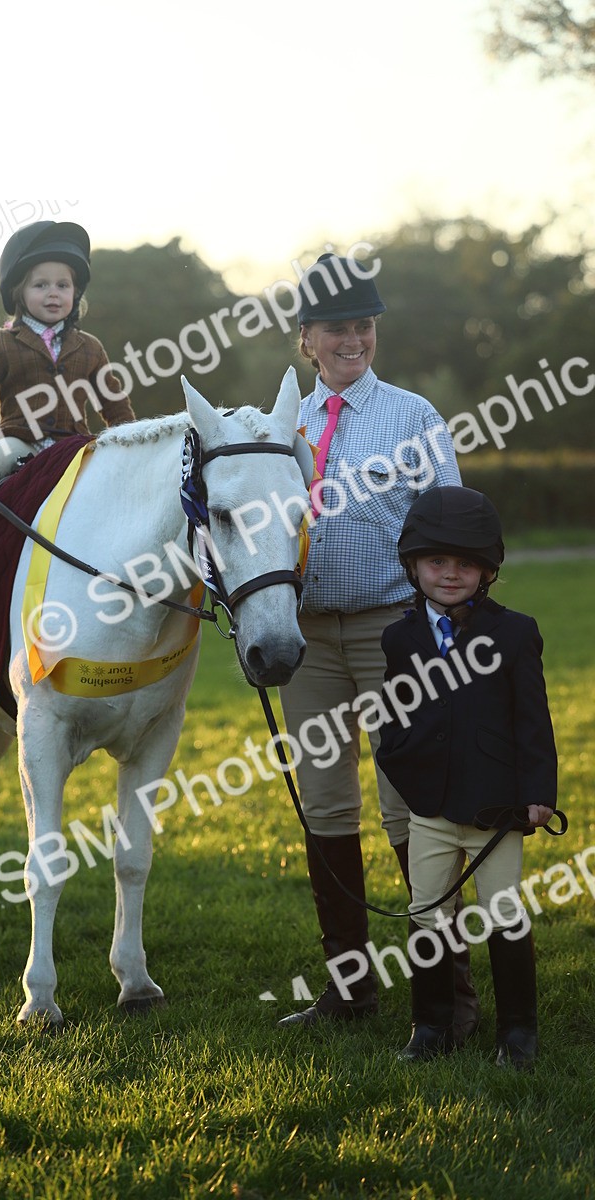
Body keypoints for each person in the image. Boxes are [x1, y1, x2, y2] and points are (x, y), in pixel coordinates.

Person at [277, 253, 476, 1032]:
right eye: (337, 328)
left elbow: (450, 523)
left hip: (394, 629)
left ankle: (447, 996)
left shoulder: (413, 415)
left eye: (364, 325)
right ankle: (349, 989)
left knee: (409, 809)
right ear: (307, 338)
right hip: (306, 635)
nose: (353, 339)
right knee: (325, 803)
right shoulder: (279, 423)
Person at [376, 486, 557, 1068]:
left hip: (496, 810)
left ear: (487, 569)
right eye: (437, 562)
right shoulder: (399, 638)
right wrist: (404, 766)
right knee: (427, 912)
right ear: (414, 566)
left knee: (503, 912)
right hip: (429, 808)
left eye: (465, 564)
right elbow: (392, 719)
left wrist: (536, 796)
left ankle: (518, 1033)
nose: (450, 574)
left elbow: (534, 723)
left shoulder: (515, 633)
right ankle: (431, 1026)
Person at [0, 221, 135, 586]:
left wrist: (128, 445)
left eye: (63, 285)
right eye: (40, 285)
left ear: (75, 292)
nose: (53, 293)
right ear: (19, 292)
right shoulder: (3, 342)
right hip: (20, 439)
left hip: (75, 443)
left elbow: (113, 401)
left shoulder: (90, 347)